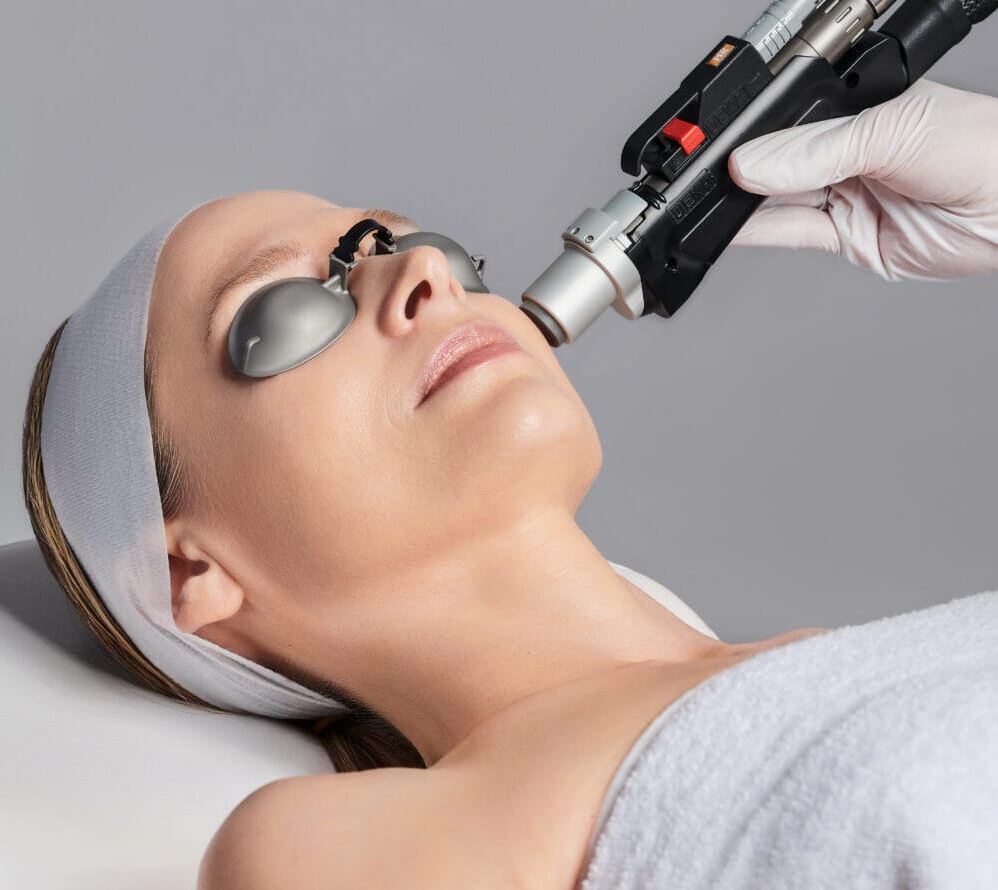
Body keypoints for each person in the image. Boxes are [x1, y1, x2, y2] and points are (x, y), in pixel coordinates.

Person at [19, 77, 997, 890]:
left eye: (415, 244)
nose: (421, 281)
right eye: (284, 309)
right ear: (197, 573)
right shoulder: (347, 847)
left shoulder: (842, 663)